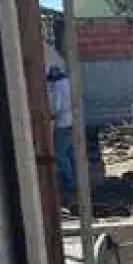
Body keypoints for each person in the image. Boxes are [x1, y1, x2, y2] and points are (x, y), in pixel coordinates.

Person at [47, 65, 75, 207]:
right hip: (73, 121)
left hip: (62, 124)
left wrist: (48, 114)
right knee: (70, 152)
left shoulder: (57, 86)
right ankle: (77, 180)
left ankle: (69, 183)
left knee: (60, 154)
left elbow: (55, 107)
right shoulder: (69, 82)